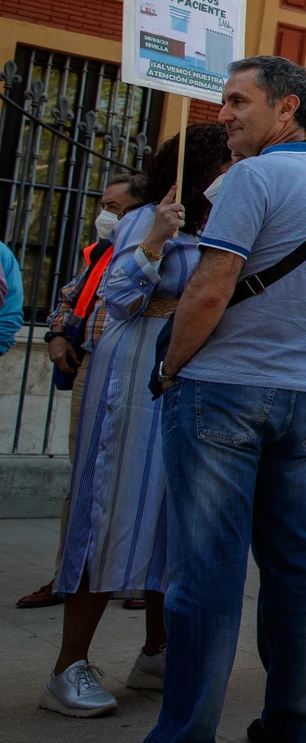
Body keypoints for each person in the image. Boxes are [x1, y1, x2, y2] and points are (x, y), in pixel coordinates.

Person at [146, 56, 306, 743]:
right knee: (297, 564)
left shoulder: (254, 177)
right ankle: (295, 723)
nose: (224, 113)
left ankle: (184, 732)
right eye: (224, 100)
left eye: (239, 100)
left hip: (221, 395)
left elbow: (210, 289)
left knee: (205, 575)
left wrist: (169, 366)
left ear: (287, 109)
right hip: (302, 399)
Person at [40, 129, 228, 717]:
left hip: (192, 372)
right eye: (226, 157)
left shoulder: (221, 217)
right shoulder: (146, 216)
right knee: (115, 506)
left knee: (172, 514)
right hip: (134, 372)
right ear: (199, 165)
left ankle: (156, 651)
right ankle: (67, 665)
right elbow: (115, 297)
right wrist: (153, 241)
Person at [20, 173, 143, 613]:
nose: (106, 214)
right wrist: (56, 334)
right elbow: (70, 297)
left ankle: (135, 580)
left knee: (137, 475)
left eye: (117, 206)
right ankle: (68, 576)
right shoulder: (99, 255)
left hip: (138, 370)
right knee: (83, 476)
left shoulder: (152, 249)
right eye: (104, 204)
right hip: (91, 366)